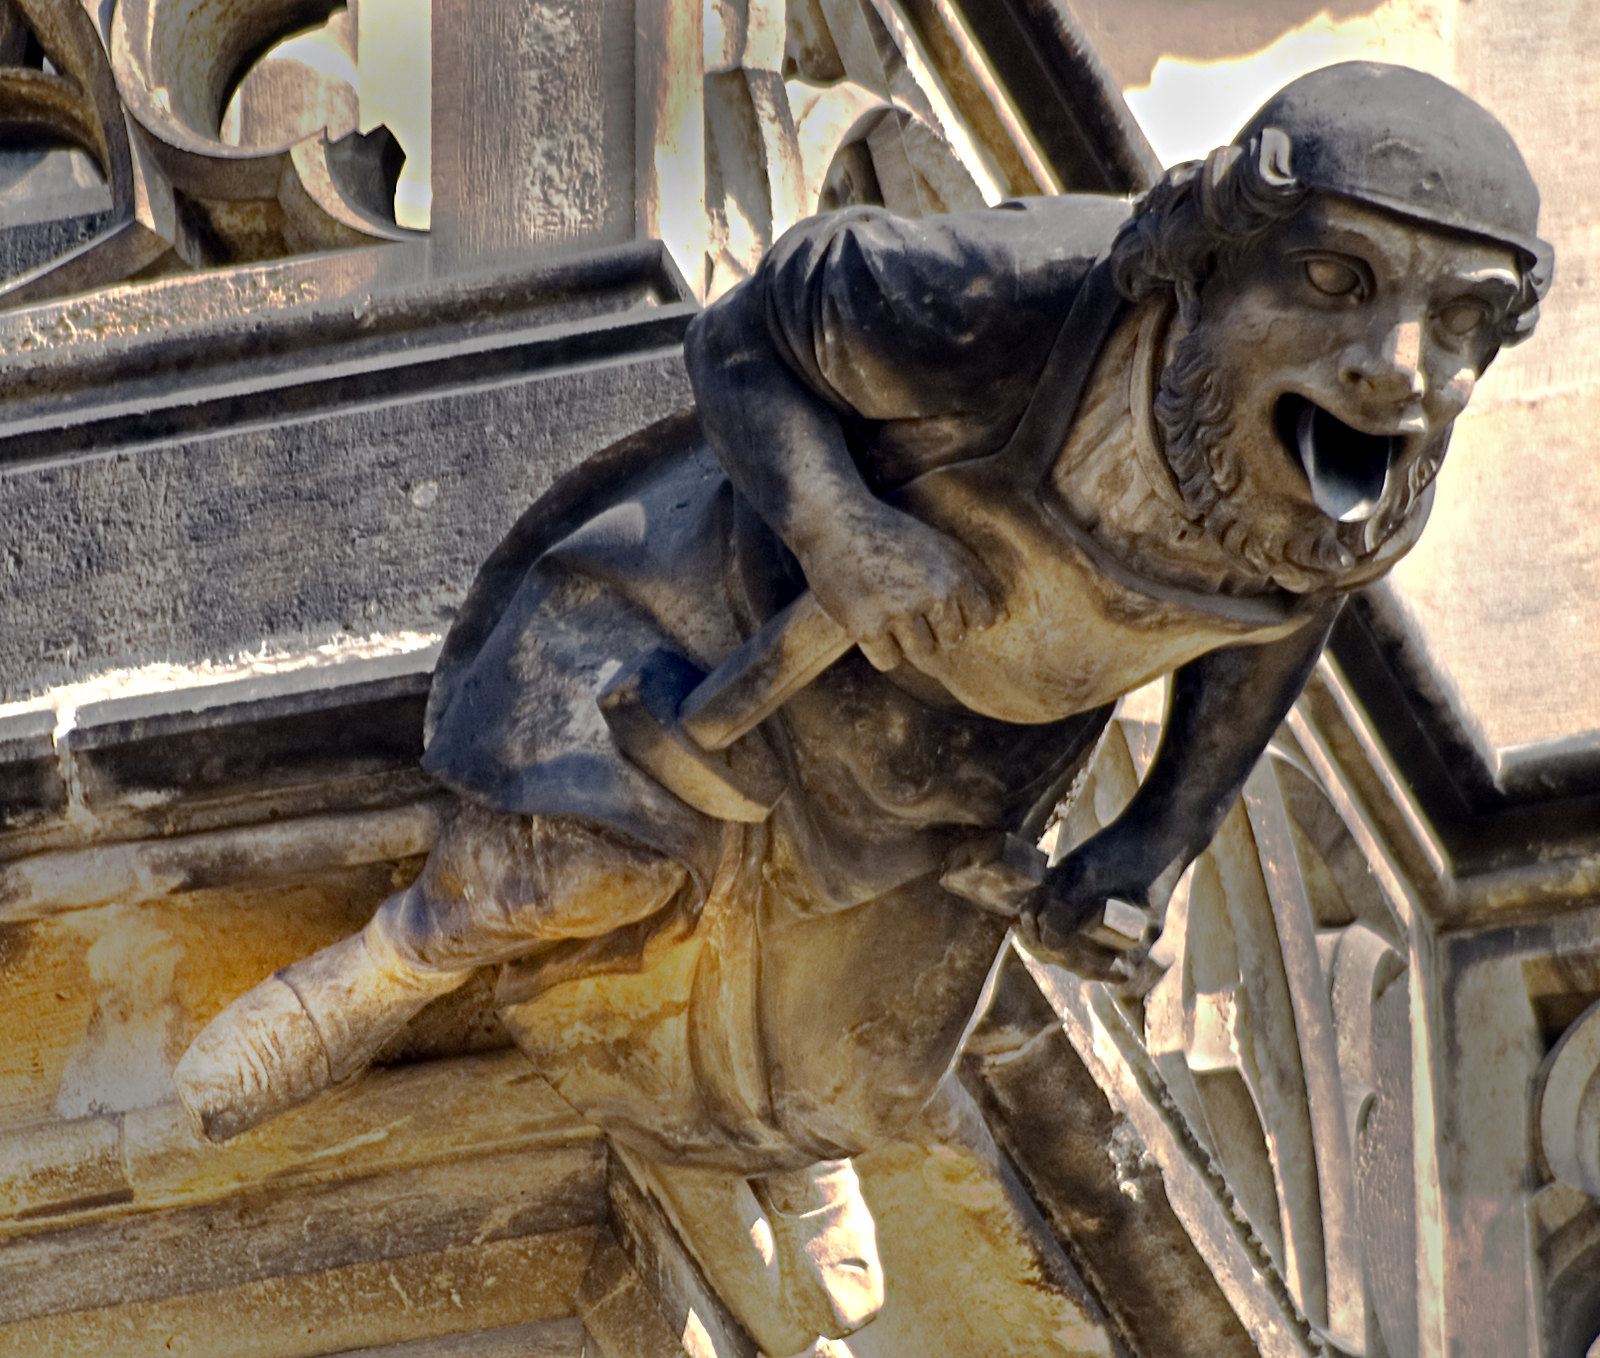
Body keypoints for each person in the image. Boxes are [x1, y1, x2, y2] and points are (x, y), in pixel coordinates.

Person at [175, 62, 1549, 1346]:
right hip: (725, 611)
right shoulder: (1017, 300)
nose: (1397, 361)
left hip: (952, 751)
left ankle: (771, 1144)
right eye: (1332, 279)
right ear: (1207, 257)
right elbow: (747, 338)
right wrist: (841, 528)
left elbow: (1275, 617)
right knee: (546, 867)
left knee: (872, 1063)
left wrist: (1159, 837)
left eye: (1460, 322)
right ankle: (398, 958)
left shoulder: (1365, 481)